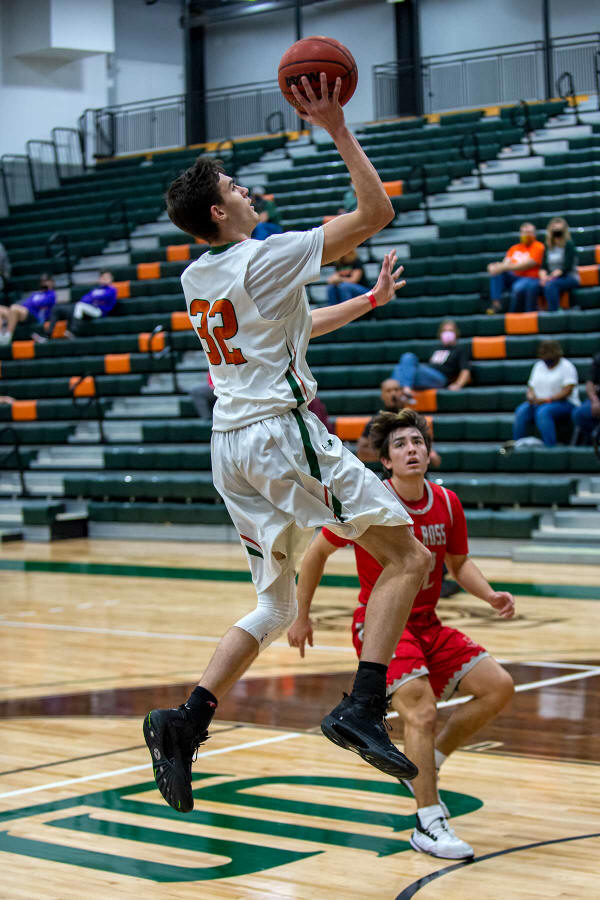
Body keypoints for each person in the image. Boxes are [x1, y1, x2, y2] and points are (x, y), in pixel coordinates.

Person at [142, 72, 432, 816]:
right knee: (409, 557)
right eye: (234, 187)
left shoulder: (198, 276)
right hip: (279, 435)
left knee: (272, 608)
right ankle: (362, 705)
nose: (247, 191)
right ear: (219, 210)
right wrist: (336, 128)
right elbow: (377, 212)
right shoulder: (262, 257)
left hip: (231, 449)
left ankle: (185, 722)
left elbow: (291, 328)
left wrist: (367, 301)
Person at [288, 408, 515, 860]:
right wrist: (302, 615)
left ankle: (428, 762)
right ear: (386, 461)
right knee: (421, 711)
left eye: (417, 442)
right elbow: (314, 555)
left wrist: (489, 595)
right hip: (383, 628)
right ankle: (428, 822)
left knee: (499, 687)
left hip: (428, 622)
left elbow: (459, 564)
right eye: (400, 445)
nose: (412, 449)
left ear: (429, 453)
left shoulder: (447, 501)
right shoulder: (370, 503)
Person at [513, 339, 580, 447]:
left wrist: (548, 400)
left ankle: (550, 447)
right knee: (521, 411)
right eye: (543, 353)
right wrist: (531, 396)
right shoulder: (538, 366)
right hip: (539, 402)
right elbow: (531, 387)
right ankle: (517, 445)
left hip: (565, 403)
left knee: (543, 412)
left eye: (548, 353)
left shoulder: (567, 366)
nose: (545, 356)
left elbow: (567, 390)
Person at [390, 320, 471, 394]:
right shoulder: (435, 348)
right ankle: (402, 391)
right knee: (400, 368)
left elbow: (465, 371)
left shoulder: (460, 350)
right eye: (444, 331)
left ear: (456, 333)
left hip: (440, 378)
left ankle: (402, 390)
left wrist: (458, 384)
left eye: (450, 331)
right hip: (427, 376)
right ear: (440, 334)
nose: (447, 333)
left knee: (408, 357)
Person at [486, 222, 545, 314]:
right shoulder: (514, 248)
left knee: (518, 287)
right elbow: (505, 263)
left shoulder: (538, 246)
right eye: (524, 232)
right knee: (497, 273)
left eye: (529, 232)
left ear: (534, 234)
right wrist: (494, 267)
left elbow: (526, 265)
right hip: (514, 277)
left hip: (531, 278)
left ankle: (513, 314)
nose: (527, 235)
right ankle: (496, 304)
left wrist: (503, 267)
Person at [46, 271, 117, 339]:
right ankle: (48, 334)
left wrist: (92, 299)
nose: (104, 279)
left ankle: (73, 331)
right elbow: (85, 298)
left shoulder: (112, 290)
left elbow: (102, 297)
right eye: (103, 277)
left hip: (99, 311)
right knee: (57, 308)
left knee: (79, 306)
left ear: (111, 279)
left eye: (107, 277)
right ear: (99, 278)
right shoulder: (96, 289)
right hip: (88, 308)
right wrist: (92, 299)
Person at [538, 217, 580, 312]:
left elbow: (567, 267)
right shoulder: (548, 246)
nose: (557, 231)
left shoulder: (569, 245)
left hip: (569, 277)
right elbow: (543, 266)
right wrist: (543, 277)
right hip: (551, 278)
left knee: (551, 285)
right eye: (555, 229)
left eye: (559, 229)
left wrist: (550, 277)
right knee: (533, 286)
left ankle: (554, 313)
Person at [0, 274, 55, 345]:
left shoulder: (51, 294)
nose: (44, 283)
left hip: (34, 316)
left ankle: (7, 337)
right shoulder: (36, 294)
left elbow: (39, 304)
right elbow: (26, 303)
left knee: (14, 308)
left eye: (47, 281)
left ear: (52, 282)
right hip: (23, 313)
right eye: (43, 281)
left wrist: (31, 303)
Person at [572, 350, 600, 443]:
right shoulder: (598, 358)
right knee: (579, 414)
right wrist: (595, 401)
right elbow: (589, 382)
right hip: (598, 399)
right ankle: (594, 441)